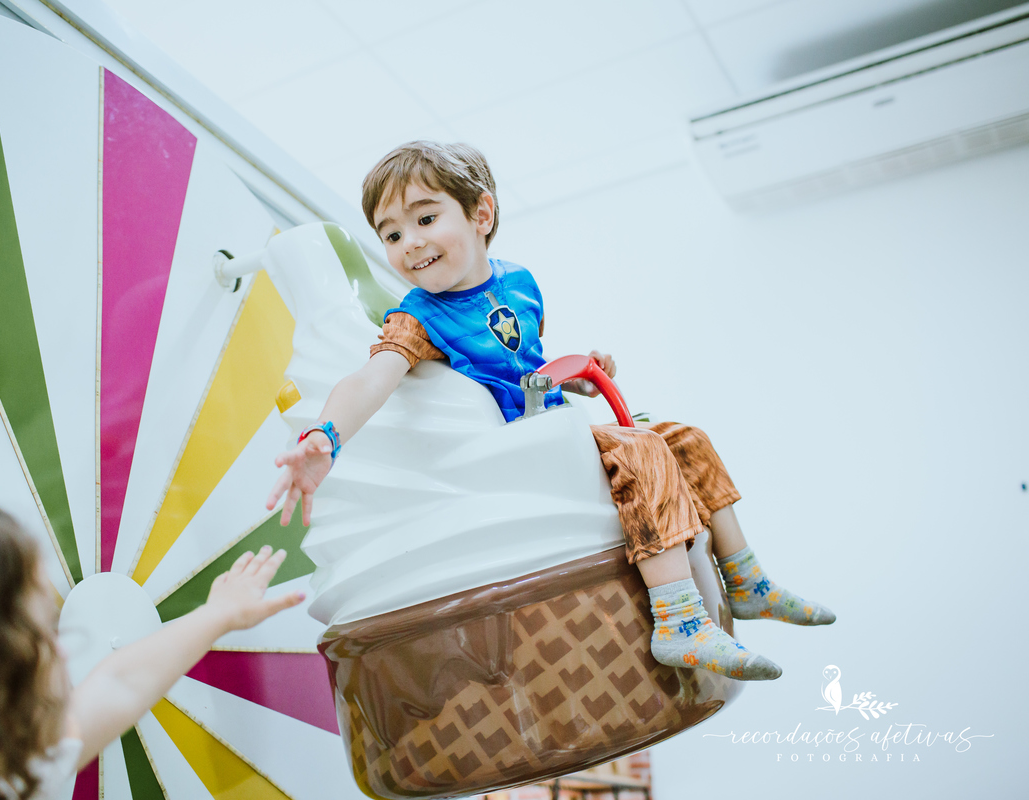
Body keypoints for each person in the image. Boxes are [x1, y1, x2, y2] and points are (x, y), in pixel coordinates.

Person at [268, 140, 836, 682]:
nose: (409, 243)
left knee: (682, 436)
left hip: (553, 430)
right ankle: (680, 616)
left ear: (480, 213)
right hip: (514, 454)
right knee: (641, 449)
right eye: (390, 233)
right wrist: (327, 435)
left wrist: (583, 375)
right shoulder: (416, 319)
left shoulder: (520, 284)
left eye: (424, 219)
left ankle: (745, 579)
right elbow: (373, 377)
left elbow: (528, 366)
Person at [0, 485, 302, 800]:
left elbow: (119, 682)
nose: (64, 649)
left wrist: (216, 616)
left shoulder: (7, 771)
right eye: (43, 631)